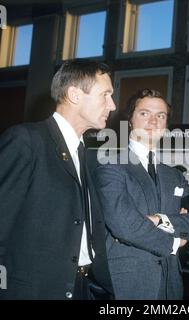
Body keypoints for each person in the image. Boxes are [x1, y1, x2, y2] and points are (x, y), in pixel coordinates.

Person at [0, 59, 116, 300]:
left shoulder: (85, 155)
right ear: (74, 94)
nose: (112, 105)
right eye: (105, 95)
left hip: (80, 288)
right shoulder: (26, 141)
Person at [94, 88, 189, 299]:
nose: (153, 121)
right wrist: (176, 241)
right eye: (144, 113)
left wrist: (160, 220)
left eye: (161, 116)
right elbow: (125, 227)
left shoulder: (175, 176)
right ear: (130, 120)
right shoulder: (111, 166)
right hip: (128, 283)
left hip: (170, 283)